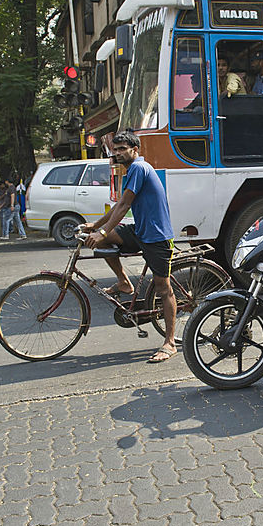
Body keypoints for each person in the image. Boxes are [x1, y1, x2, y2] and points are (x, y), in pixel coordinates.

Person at [82, 131, 178, 364]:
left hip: (157, 237)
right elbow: (118, 204)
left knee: (163, 288)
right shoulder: (131, 172)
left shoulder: (139, 168)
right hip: (140, 231)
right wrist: (96, 226)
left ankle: (170, 342)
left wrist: (101, 231)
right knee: (103, 241)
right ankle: (124, 282)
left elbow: (124, 205)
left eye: (123, 148)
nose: (118, 153)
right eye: (115, 150)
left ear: (135, 150)